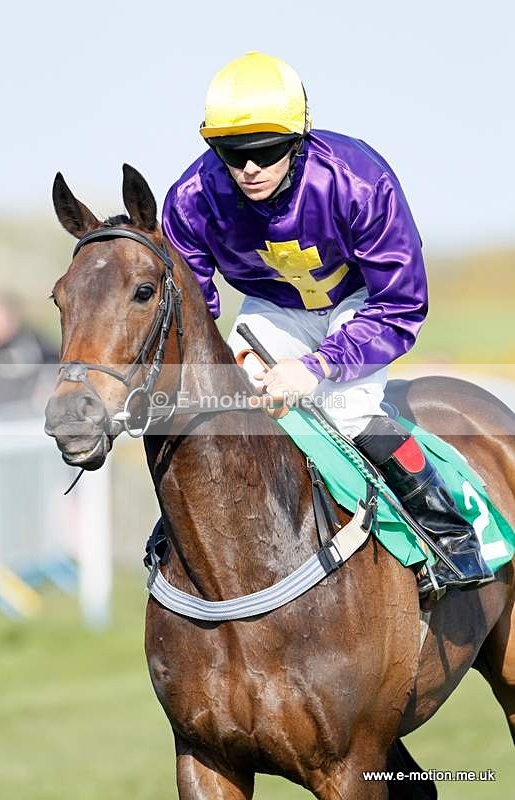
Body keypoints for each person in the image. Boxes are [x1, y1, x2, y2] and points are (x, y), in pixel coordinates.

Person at [160, 51, 492, 596]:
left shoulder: (359, 181)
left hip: (361, 303)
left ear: (300, 137)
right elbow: (193, 308)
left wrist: (318, 366)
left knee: (349, 411)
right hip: (272, 308)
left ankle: (448, 532)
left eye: (266, 152)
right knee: (232, 413)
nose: (248, 169)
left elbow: (402, 304)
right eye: (231, 154)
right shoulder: (193, 200)